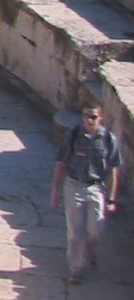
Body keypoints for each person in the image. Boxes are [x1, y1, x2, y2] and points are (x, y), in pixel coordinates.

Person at [53, 102, 122, 283]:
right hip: (74, 185)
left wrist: (112, 200)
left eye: (93, 116)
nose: (89, 120)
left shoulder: (108, 139)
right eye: (85, 116)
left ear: (101, 118)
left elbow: (114, 171)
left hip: (96, 187)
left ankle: (88, 252)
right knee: (76, 232)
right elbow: (61, 164)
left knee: (96, 230)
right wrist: (56, 191)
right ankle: (75, 269)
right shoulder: (73, 136)